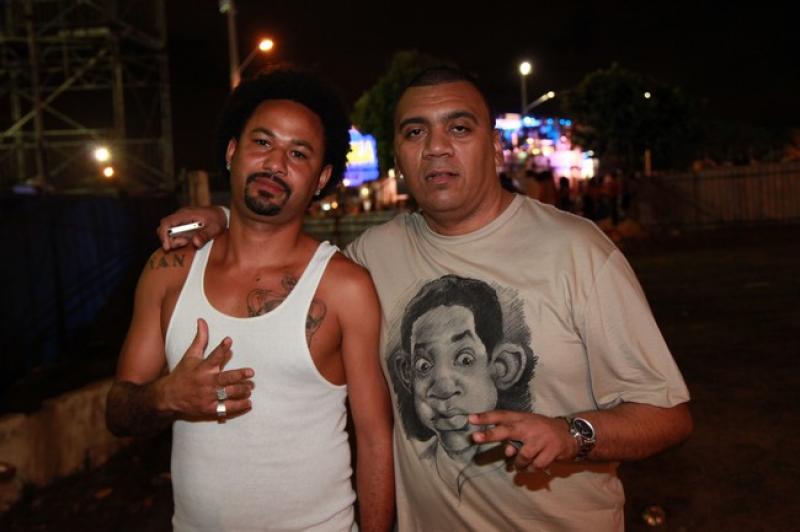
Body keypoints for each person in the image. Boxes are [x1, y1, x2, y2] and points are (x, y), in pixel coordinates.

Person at [158, 67, 692, 531]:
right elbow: (286, 254)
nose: (436, 147)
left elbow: (668, 415)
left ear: (495, 147)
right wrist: (227, 218)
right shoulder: (374, 256)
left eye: (459, 128)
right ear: (400, 157)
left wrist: (571, 434)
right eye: (416, 132)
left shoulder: (577, 251)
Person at [107, 70, 394, 532]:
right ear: (232, 152)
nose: (275, 163)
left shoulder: (344, 288)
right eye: (262, 142)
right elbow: (119, 410)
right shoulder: (170, 270)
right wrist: (166, 395)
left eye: (298, 153)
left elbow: (375, 437)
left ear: (321, 178)